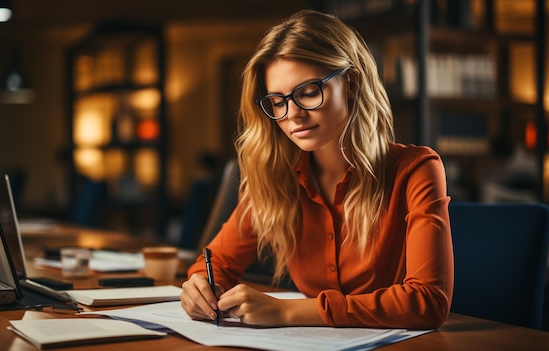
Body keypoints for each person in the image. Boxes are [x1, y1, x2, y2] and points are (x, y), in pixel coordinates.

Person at [180, 9, 453, 329]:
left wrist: (287, 312)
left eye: (308, 92)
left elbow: (427, 302)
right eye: (278, 101)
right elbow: (214, 263)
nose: (292, 114)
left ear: (351, 83)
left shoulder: (416, 170)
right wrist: (199, 286)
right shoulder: (277, 178)